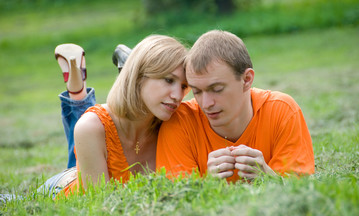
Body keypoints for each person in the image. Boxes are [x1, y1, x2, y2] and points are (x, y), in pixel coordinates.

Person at [156, 30, 315, 182]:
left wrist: (268, 177)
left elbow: (299, 189)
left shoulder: (282, 110)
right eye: (197, 91)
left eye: (217, 89)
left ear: (246, 79)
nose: (206, 104)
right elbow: (177, 199)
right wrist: (208, 184)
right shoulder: (180, 122)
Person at [52, 34, 189, 196]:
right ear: (138, 77)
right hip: (61, 186)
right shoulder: (90, 127)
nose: (177, 95)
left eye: (184, 86)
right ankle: (78, 96)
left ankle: (78, 94)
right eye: (168, 80)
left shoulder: (174, 124)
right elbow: (100, 204)